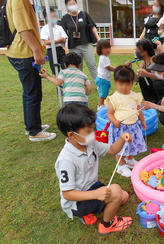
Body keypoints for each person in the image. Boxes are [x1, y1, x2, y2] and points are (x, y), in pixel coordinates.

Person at [55, 103, 133, 235]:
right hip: (77, 202)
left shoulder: (90, 143)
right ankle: (107, 225)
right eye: (89, 131)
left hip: (91, 188)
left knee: (123, 197)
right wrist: (95, 194)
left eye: (93, 128)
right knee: (116, 193)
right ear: (72, 135)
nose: (93, 133)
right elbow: (67, 194)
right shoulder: (66, 160)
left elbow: (113, 149)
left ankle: (90, 212)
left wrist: (121, 138)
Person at [6, 0, 56, 142]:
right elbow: (23, 29)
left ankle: (33, 125)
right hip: (24, 53)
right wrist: (36, 50)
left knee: (31, 92)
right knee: (32, 93)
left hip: (23, 52)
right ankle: (34, 131)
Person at [107, 66, 147, 178]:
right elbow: (109, 113)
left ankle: (130, 159)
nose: (124, 87)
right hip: (120, 128)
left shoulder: (134, 96)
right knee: (120, 147)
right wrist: (114, 121)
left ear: (132, 82)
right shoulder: (114, 98)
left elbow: (139, 110)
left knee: (132, 145)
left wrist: (142, 121)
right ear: (115, 82)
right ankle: (121, 165)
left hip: (133, 127)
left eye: (127, 84)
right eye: (121, 84)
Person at [61, 0, 100, 83]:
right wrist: (63, 46)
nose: (72, 5)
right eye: (70, 4)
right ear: (66, 6)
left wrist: (98, 38)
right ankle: (79, 83)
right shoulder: (65, 18)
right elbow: (62, 33)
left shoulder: (84, 14)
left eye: (74, 3)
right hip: (74, 46)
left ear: (76, 4)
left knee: (91, 65)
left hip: (86, 44)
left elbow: (93, 26)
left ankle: (97, 83)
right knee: (77, 66)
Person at [127, 39, 164, 104]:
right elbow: (137, 79)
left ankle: (162, 101)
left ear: (145, 51)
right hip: (154, 90)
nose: (136, 52)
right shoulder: (143, 63)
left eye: (138, 50)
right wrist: (130, 70)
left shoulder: (155, 60)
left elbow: (161, 77)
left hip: (163, 89)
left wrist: (147, 74)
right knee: (141, 79)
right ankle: (150, 101)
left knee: (156, 83)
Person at [40, 8, 67, 75]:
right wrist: (59, 40)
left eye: (55, 16)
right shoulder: (44, 29)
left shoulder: (59, 27)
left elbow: (64, 39)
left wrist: (53, 41)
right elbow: (46, 42)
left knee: (66, 68)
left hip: (60, 50)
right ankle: (58, 84)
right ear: (47, 18)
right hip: (51, 51)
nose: (54, 18)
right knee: (55, 70)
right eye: (52, 17)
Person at [96, 40, 115, 111]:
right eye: (105, 48)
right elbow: (109, 67)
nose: (108, 50)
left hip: (104, 79)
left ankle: (101, 105)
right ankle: (100, 106)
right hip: (102, 79)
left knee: (104, 93)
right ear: (100, 50)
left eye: (109, 48)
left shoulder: (105, 57)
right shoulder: (103, 57)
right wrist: (117, 69)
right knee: (103, 94)